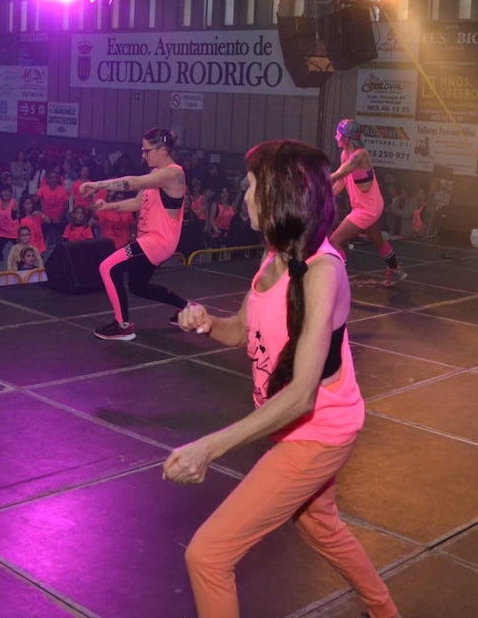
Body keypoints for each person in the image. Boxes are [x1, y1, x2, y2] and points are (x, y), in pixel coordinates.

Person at [164, 139, 400, 618]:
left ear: (279, 196)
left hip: (318, 432)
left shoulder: (321, 273)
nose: (244, 197)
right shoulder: (274, 256)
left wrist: (208, 447)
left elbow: (302, 395)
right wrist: (207, 322)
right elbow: (239, 333)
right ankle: (385, 611)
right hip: (297, 426)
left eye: (252, 187)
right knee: (319, 522)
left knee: (208, 555)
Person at [81, 128, 189, 341]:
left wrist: (97, 185)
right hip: (149, 240)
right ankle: (186, 309)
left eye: (146, 150)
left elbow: (134, 183)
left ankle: (123, 326)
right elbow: (137, 202)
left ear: (162, 150)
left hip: (156, 241)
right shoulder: (156, 174)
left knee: (107, 267)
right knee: (138, 287)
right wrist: (108, 206)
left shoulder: (173, 173)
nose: (143, 155)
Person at [327, 119, 406, 288]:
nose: (336, 137)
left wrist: (325, 179)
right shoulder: (345, 155)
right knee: (376, 239)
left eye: (338, 134)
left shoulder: (360, 155)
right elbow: (343, 178)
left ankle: (341, 281)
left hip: (366, 210)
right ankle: (396, 270)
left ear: (346, 139)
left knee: (334, 240)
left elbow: (344, 170)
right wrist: (327, 194)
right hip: (370, 206)